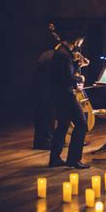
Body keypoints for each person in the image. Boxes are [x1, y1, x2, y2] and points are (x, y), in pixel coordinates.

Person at [48, 29, 89, 169]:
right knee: (82, 124)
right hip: (65, 94)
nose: (80, 45)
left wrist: (79, 64)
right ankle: (74, 160)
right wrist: (80, 78)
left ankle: (54, 159)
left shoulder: (62, 52)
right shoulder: (64, 55)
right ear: (76, 41)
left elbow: (65, 71)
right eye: (80, 42)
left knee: (63, 125)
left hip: (58, 94)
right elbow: (67, 77)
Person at [32, 21, 63, 150]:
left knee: (42, 117)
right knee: (49, 116)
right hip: (48, 89)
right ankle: (46, 142)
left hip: (40, 88)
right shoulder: (53, 55)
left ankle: (40, 142)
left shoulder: (44, 54)